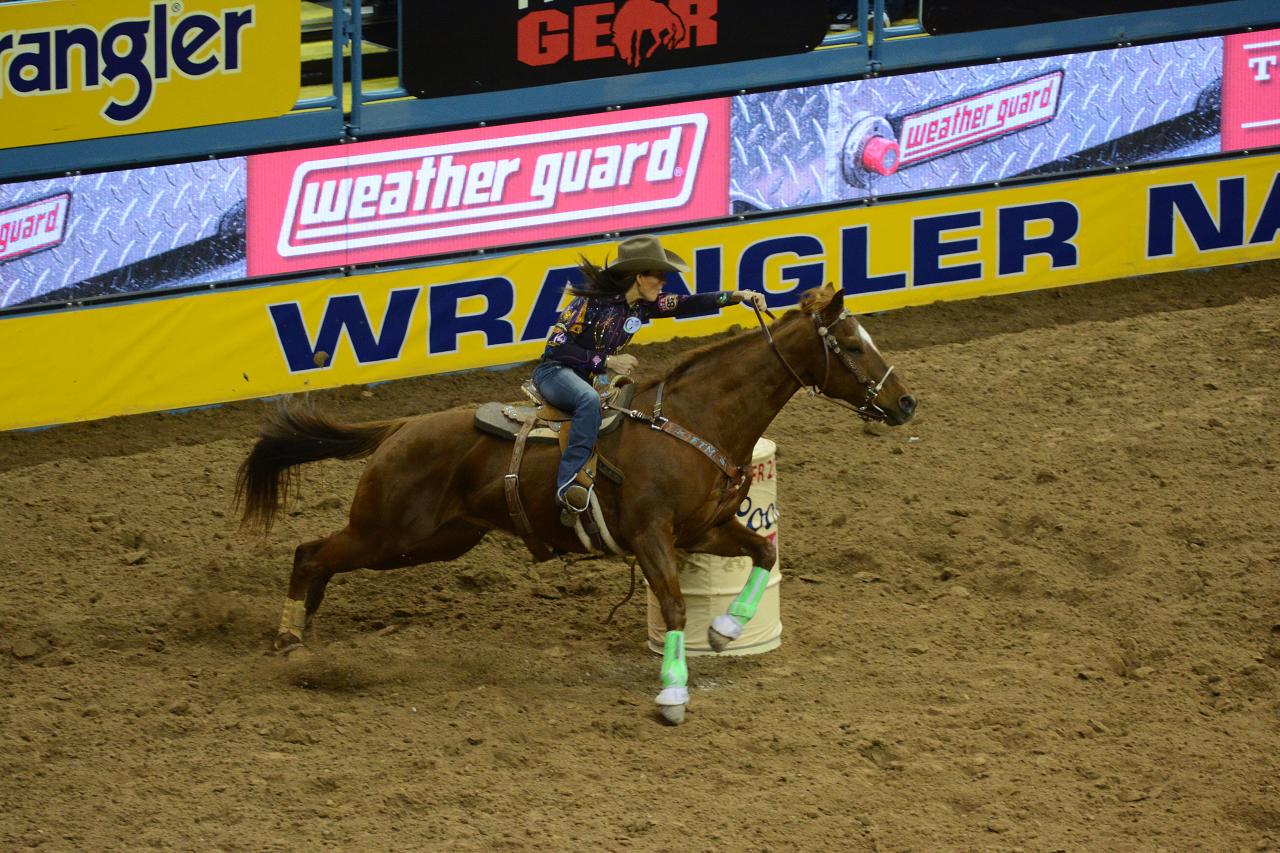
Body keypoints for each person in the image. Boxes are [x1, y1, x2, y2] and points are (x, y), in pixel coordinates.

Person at [532, 234, 768, 513]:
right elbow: (555, 347)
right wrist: (607, 360)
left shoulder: (640, 307)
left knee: (631, 408)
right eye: (658, 275)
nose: (664, 282)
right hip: (555, 372)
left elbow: (688, 303)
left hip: (593, 376)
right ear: (639, 277)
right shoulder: (591, 304)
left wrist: (738, 296)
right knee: (588, 400)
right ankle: (569, 483)